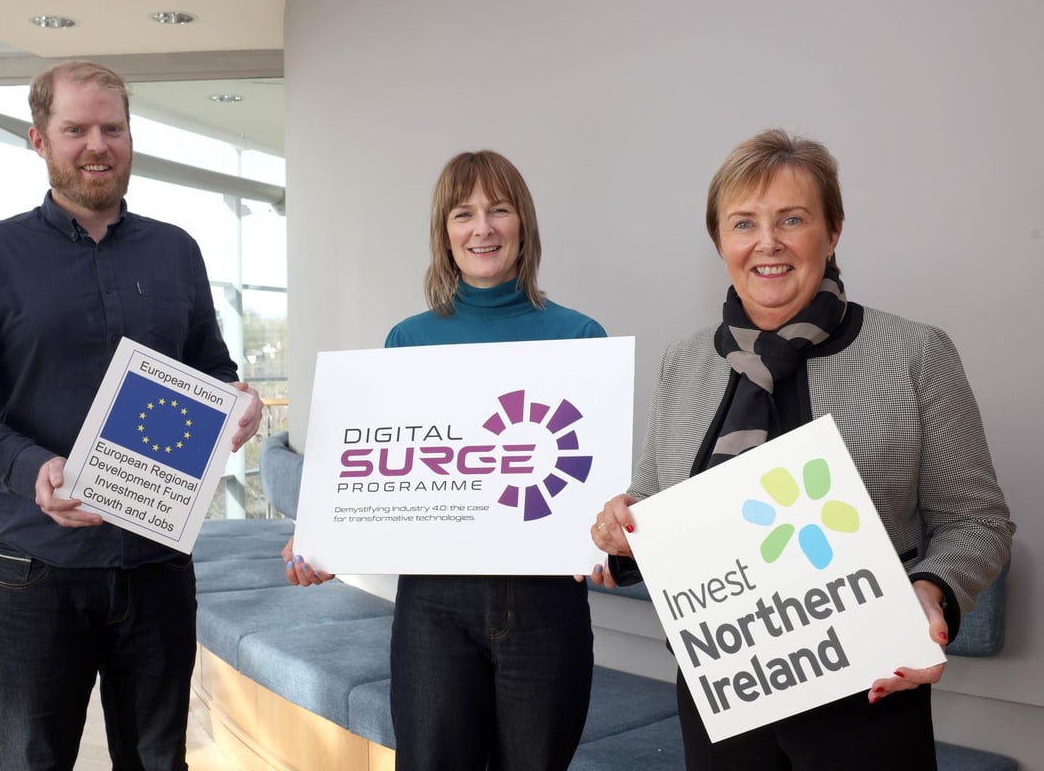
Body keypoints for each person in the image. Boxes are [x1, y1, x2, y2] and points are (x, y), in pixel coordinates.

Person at [589, 129, 1015, 770]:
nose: (768, 242)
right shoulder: (684, 362)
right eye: (744, 223)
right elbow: (653, 505)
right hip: (722, 689)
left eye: (793, 219)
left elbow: (978, 522)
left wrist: (932, 589)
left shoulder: (912, 354)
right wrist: (623, 531)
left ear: (833, 230)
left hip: (869, 690)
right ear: (720, 241)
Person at [0, 60, 263, 771]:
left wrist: (238, 397)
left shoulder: (177, 252)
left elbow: (211, 369)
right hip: (37, 569)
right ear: (38, 140)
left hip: (159, 561)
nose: (97, 145)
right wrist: (34, 466)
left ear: (132, 136)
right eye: (75, 128)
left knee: (159, 761)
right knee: (32, 760)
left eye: (112, 127)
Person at [283, 150, 606, 770]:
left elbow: (590, 487)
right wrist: (323, 538)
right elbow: (386, 465)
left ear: (523, 226)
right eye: (464, 213)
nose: (482, 228)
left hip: (546, 608)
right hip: (434, 605)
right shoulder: (408, 341)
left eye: (499, 210)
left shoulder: (579, 338)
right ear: (445, 233)